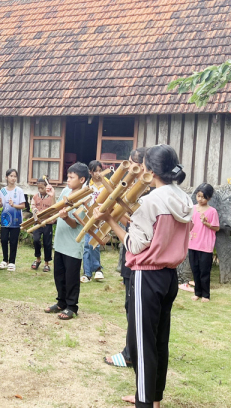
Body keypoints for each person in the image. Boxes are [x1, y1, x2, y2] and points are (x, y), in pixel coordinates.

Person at [94, 144, 192, 407]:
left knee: (142, 344)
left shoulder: (151, 200)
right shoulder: (184, 198)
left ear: (150, 170)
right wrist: (127, 215)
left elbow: (135, 245)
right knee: (159, 341)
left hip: (146, 277)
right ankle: (151, 398)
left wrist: (109, 219)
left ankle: (144, 402)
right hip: (169, 276)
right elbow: (154, 232)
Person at [105, 147, 146, 369]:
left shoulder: (146, 192)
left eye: (131, 165)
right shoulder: (132, 188)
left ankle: (131, 353)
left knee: (134, 307)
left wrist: (116, 217)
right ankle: (132, 351)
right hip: (130, 253)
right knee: (130, 304)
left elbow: (138, 224)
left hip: (139, 255)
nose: (128, 169)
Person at [44, 162, 89, 320]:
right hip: (60, 242)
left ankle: (72, 306)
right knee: (59, 275)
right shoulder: (65, 190)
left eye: (72, 177)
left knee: (71, 277)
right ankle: (61, 302)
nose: (68, 180)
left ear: (82, 179)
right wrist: (52, 197)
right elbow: (57, 209)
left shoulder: (85, 197)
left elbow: (75, 223)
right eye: (68, 176)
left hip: (73, 244)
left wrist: (66, 217)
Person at [188, 183, 219, 302]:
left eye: (203, 197)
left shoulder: (212, 211)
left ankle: (206, 295)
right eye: (198, 196)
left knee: (204, 272)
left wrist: (206, 223)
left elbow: (216, 228)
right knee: (195, 270)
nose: (200, 199)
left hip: (205, 246)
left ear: (209, 198)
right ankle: (197, 293)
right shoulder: (193, 209)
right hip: (192, 244)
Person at [81, 160, 106, 283]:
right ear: (90, 172)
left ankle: (97, 268)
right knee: (86, 244)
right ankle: (87, 272)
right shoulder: (87, 186)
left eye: (100, 170)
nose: (98, 173)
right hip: (88, 216)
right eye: (96, 171)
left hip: (100, 217)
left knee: (93, 243)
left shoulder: (105, 184)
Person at [0, 169, 26, 271]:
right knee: (4, 239)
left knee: (13, 241)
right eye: (11, 176)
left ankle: (12, 262)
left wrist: (14, 205)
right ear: (6, 177)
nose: (13, 178)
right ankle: (5, 260)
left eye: (15, 176)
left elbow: (23, 206)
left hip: (16, 218)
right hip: (5, 218)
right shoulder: (2, 191)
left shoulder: (19, 191)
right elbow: (1, 205)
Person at [30, 178, 55, 272]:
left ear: (46, 187)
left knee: (47, 243)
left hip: (48, 223)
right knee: (36, 240)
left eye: (42, 188)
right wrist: (35, 210)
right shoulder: (35, 197)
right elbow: (33, 206)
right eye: (38, 188)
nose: (40, 190)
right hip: (38, 223)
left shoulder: (51, 197)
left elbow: (53, 208)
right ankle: (38, 259)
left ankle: (47, 263)